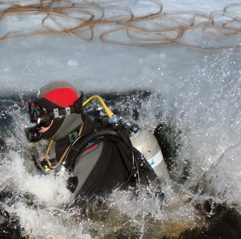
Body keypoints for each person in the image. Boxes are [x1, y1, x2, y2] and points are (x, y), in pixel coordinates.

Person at [25, 81, 157, 206]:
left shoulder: (96, 150)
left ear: (60, 116)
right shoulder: (62, 137)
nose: (35, 123)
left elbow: (74, 213)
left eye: (40, 116)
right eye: (33, 114)